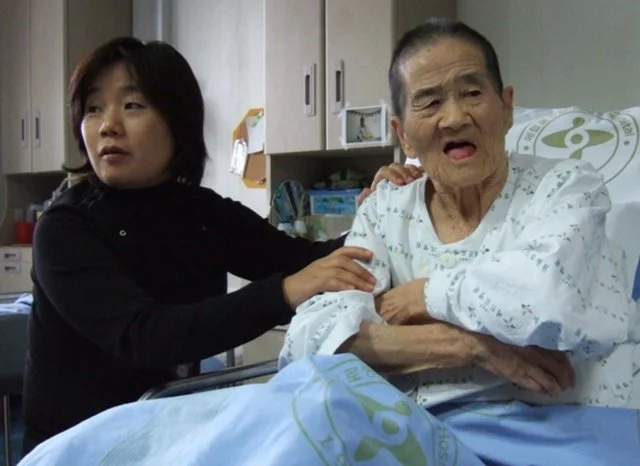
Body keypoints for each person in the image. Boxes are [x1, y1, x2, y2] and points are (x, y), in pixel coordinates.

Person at [22, 36, 421, 454]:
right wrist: (286, 291)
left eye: (132, 105)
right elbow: (146, 336)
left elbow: (303, 259)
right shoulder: (65, 227)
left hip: (171, 430)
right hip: (80, 445)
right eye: (93, 108)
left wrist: (379, 211)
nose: (107, 125)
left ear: (178, 122)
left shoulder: (202, 213)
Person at [281, 18, 636, 411]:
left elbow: (546, 297)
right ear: (403, 135)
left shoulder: (567, 187)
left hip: (558, 424)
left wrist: (419, 297)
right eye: (430, 102)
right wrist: (471, 345)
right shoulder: (385, 210)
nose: (454, 117)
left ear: (507, 107)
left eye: (472, 93)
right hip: (416, 431)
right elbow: (313, 336)